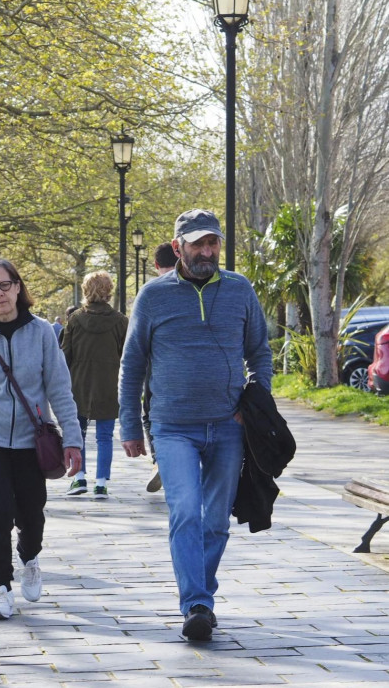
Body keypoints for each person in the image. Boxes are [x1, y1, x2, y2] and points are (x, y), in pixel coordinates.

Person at [118, 209, 272, 641]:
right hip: (173, 428)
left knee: (216, 522)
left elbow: (260, 352)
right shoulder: (153, 296)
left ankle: (199, 594)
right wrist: (130, 425)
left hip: (228, 427)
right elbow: (132, 365)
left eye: (213, 243)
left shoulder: (240, 290)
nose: (207, 251)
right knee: (185, 512)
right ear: (178, 246)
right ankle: (197, 605)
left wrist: (257, 401)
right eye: (198, 244)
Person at [0, 258, 82, 620]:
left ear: (18, 287)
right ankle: (1, 588)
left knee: (31, 513)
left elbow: (59, 388)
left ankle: (30, 556)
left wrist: (74, 440)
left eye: (4, 285)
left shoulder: (41, 332)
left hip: (31, 437)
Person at [61, 271, 128, 499]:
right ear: (109, 291)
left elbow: (64, 355)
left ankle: (79, 478)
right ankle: (101, 483)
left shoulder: (75, 319)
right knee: (105, 437)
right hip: (108, 385)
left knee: (77, 434)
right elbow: (126, 355)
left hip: (78, 384)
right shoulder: (120, 321)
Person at [143, 242, 179, 494]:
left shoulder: (151, 291)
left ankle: (159, 457)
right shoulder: (189, 286)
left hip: (155, 365)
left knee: (149, 412)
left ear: (156, 265)